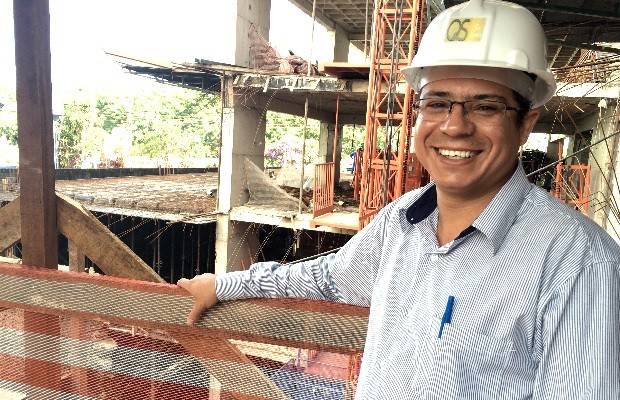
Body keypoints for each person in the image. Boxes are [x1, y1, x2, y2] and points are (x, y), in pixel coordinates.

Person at [178, 0, 620, 398]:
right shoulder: (402, 222)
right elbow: (326, 278)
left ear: (525, 125)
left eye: (485, 107)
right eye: (437, 103)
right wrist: (223, 284)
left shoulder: (578, 263)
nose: (455, 126)